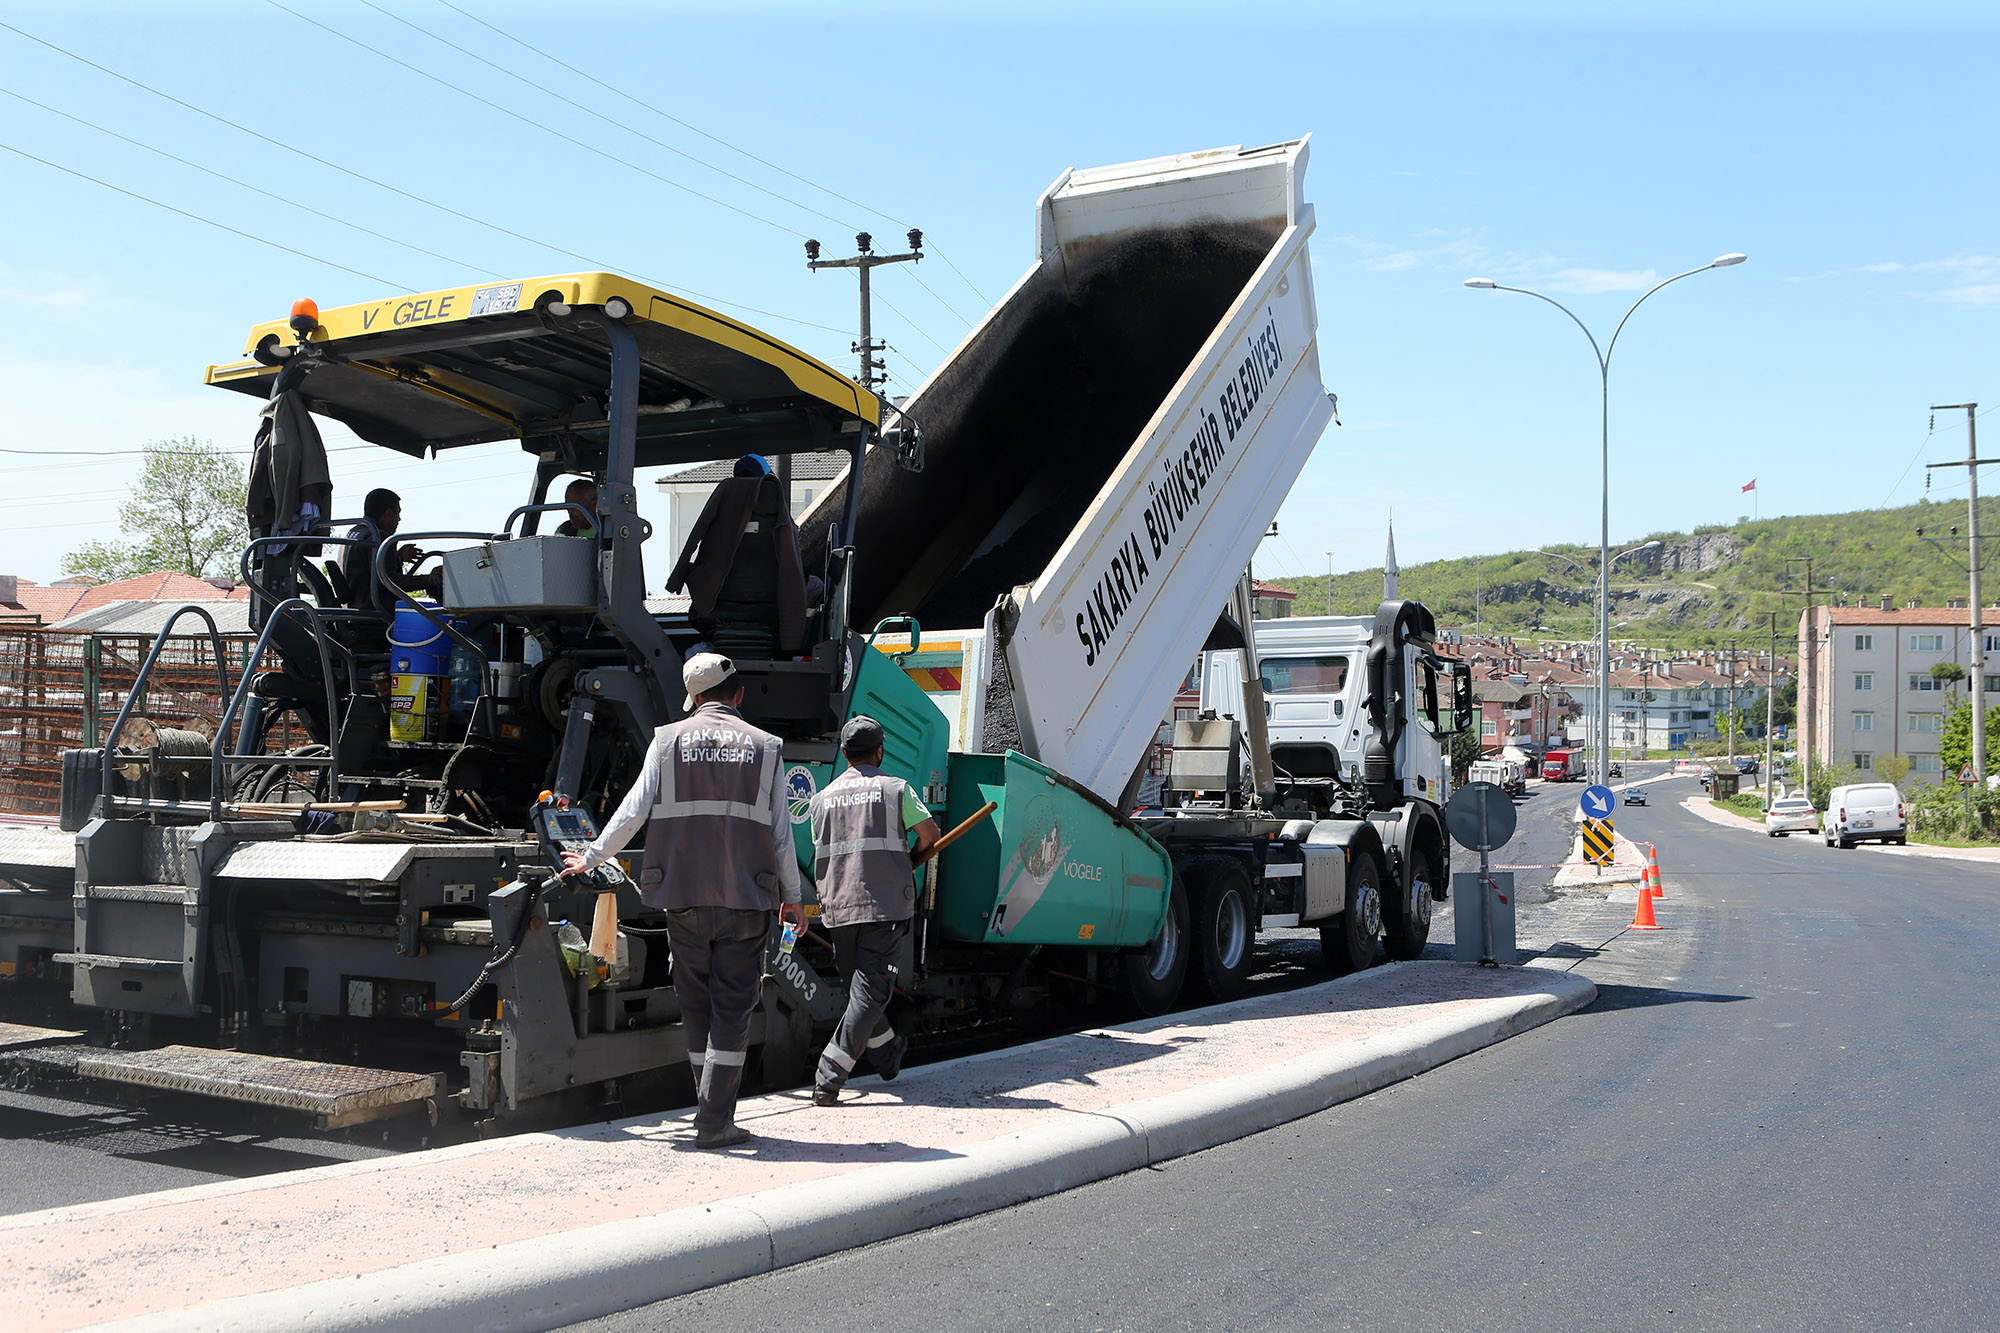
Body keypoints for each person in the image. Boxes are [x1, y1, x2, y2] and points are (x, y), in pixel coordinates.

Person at [561, 652, 805, 1148]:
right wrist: (793, 897)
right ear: (737, 695)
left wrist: (591, 856)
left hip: (683, 894)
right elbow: (781, 836)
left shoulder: (667, 740)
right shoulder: (767, 747)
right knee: (734, 1006)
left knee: (695, 1002)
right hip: (746, 894)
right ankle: (715, 1119)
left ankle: (708, 1109)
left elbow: (634, 808)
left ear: (693, 699)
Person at [808, 715, 939, 1106]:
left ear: (844, 753)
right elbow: (930, 836)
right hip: (883, 906)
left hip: (838, 907)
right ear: (880, 752)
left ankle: (885, 1054)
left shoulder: (821, 799)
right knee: (871, 994)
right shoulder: (896, 790)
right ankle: (829, 1075)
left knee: (860, 993)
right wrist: (907, 862)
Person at [340, 487, 427, 610]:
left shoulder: (355, 533)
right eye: (398, 513)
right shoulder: (379, 537)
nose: (399, 519)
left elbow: (366, 569)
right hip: (376, 611)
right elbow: (389, 582)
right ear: (388, 514)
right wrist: (429, 579)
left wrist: (398, 557)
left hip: (356, 606)